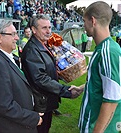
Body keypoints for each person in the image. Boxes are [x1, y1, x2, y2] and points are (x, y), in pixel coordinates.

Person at [21, 14, 84, 133]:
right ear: (34, 30)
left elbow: (47, 71)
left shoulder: (43, 45)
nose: (48, 31)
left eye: (49, 27)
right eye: (44, 28)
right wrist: (66, 91)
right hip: (40, 105)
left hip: (47, 101)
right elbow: (40, 79)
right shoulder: (31, 50)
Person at [0, 20, 43, 133]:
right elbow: (3, 105)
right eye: (13, 34)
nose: (17, 38)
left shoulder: (5, 57)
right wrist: (32, 118)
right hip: (12, 127)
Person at [78, 1, 121, 133]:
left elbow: (112, 99)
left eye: (85, 21)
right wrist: (82, 87)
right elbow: (105, 83)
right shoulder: (103, 48)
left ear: (92, 21)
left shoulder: (107, 51)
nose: (84, 26)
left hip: (96, 127)